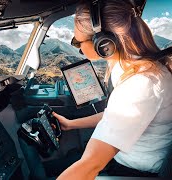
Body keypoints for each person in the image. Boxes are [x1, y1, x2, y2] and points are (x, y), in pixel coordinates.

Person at [53, 0, 172, 179]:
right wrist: (71, 124)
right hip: (126, 159)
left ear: (103, 43)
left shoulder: (141, 83)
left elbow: (91, 165)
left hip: (135, 172)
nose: (77, 48)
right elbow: (116, 115)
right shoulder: (139, 68)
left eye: (78, 42)